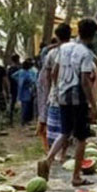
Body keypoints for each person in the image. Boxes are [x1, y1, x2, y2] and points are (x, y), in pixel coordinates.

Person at [37, 17, 97, 186]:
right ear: (93, 35)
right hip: (77, 97)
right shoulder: (86, 53)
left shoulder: (64, 48)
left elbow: (54, 72)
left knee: (65, 132)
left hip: (62, 95)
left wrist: (57, 89)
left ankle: (48, 160)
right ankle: (76, 176)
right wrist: (93, 105)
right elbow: (85, 81)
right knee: (81, 137)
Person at [39, 25, 72, 161]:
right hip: (70, 95)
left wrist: (47, 93)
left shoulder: (51, 54)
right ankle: (62, 154)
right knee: (66, 127)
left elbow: (46, 77)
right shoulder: (74, 52)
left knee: (53, 127)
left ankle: (52, 153)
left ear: (57, 36)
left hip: (55, 95)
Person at [14, 58, 39, 126]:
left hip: (24, 91)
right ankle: (24, 120)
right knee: (26, 107)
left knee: (24, 106)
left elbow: (13, 76)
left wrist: (17, 80)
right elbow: (32, 81)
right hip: (26, 90)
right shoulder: (27, 73)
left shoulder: (21, 71)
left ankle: (24, 120)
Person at [5, 54, 21, 125]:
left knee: (12, 103)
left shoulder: (9, 69)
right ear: (17, 60)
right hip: (18, 87)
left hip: (12, 87)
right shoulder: (19, 69)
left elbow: (7, 79)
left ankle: (10, 119)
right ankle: (20, 119)